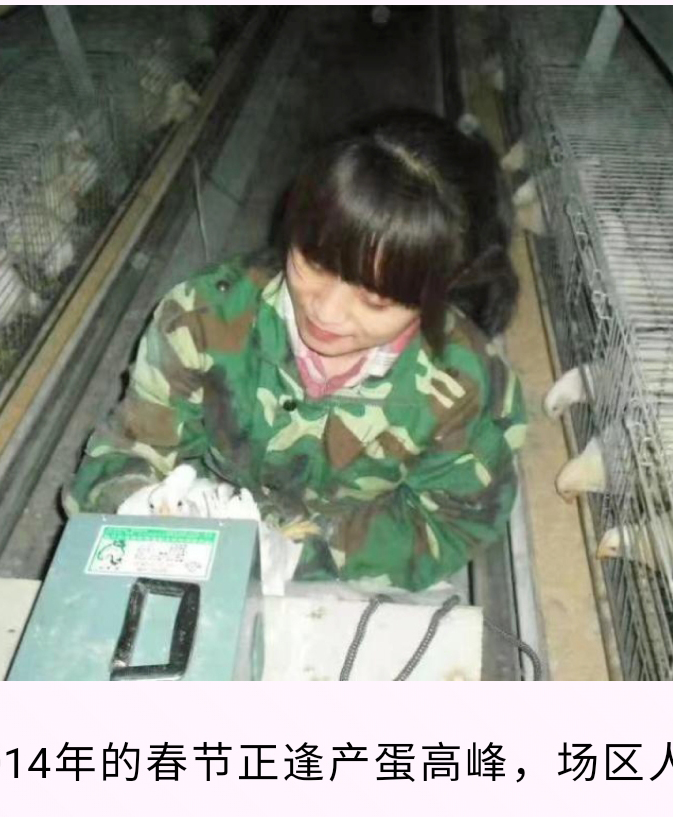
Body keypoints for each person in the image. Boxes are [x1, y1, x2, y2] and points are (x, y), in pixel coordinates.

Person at [63, 110, 527, 592]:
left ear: (439, 289)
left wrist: (302, 555)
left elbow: (454, 521)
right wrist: (138, 505)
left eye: (375, 301)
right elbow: (123, 454)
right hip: (205, 522)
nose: (326, 312)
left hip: (349, 566)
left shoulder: (462, 388)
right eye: (315, 263)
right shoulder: (202, 320)